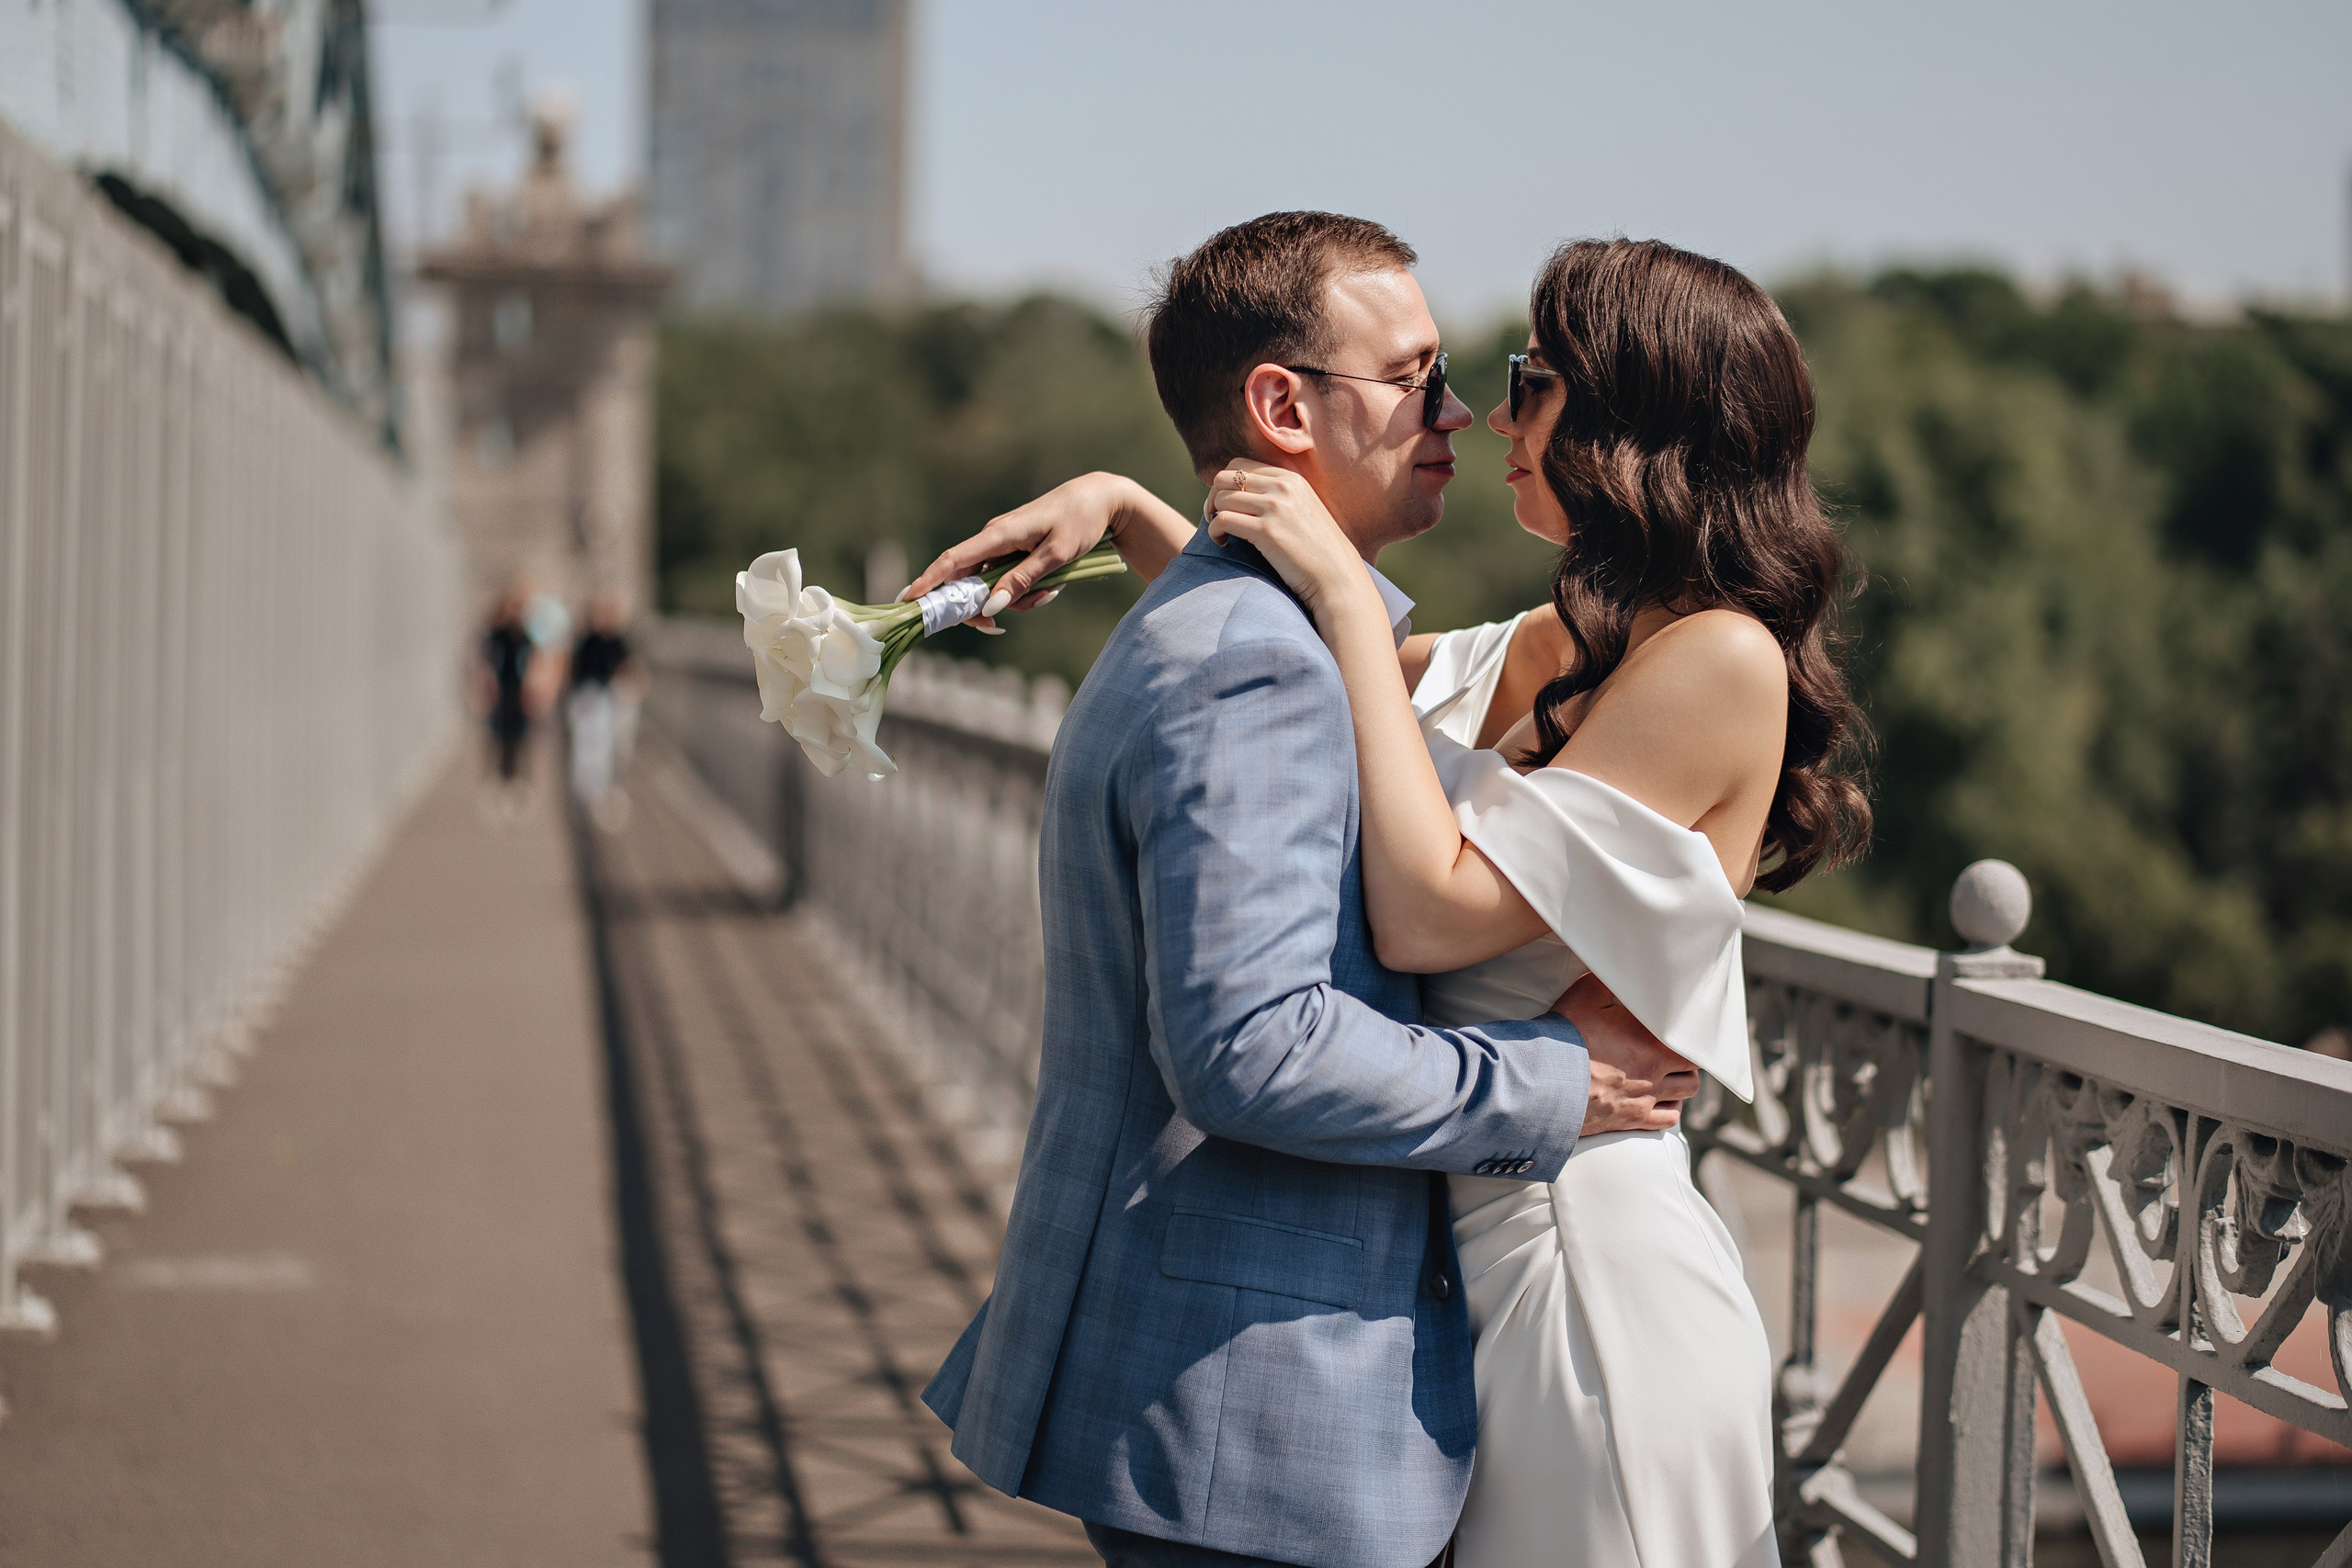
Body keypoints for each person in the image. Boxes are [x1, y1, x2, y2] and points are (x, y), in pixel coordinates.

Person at [908, 234, 1873, 1566]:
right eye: (1459, 376)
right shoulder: (1551, 643)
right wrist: (1133, 506)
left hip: (1586, 1276)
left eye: (1529, 377)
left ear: (1631, 423)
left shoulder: (1721, 662)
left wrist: (1353, 612)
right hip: (1460, 1271)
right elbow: (1283, 677)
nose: (1481, 410)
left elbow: (1424, 905)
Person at [566, 594, 642, 829]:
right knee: (589, 748)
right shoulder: (586, 641)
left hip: (604, 700)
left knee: (603, 748)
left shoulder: (616, 641)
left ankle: (598, 795)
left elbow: (628, 666)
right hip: (589, 698)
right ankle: (588, 796)